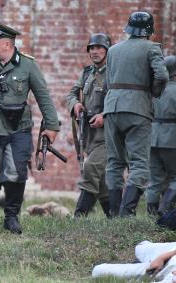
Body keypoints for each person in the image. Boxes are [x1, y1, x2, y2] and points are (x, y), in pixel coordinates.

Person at [0, 17, 60, 235]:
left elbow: (43, 96)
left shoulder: (28, 65)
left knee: (17, 173)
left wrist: (52, 126)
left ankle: (12, 218)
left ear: (7, 44)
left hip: (19, 129)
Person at [104, 11, 168, 217]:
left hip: (112, 107)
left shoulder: (112, 50)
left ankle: (114, 213)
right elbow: (162, 75)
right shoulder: (152, 48)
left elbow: (107, 81)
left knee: (114, 161)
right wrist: (154, 92)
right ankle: (127, 212)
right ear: (149, 30)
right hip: (138, 109)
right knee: (139, 162)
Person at [66, 33, 111, 217]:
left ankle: (79, 215)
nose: (95, 51)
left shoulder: (113, 72)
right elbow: (71, 94)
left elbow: (119, 100)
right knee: (101, 181)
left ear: (107, 50)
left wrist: (104, 116)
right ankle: (115, 216)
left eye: (99, 48)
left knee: (91, 168)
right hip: (88, 133)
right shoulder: (87, 73)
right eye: (92, 48)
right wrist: (75, 104)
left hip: (107, 133)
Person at [146, 55, 176, 216]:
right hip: (171, 139)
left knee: (155, 180)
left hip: (152, 137)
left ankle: (151, 215)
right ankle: (164, 210)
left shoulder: (154, 90)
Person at [92, 241, 176, 283]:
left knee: (98, 271)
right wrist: (162, 257)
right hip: (171, 251)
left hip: (169, 271)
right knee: (140, 248)